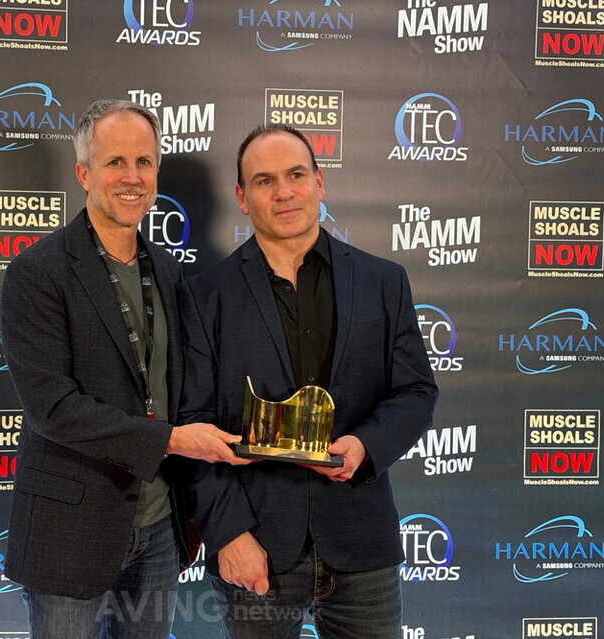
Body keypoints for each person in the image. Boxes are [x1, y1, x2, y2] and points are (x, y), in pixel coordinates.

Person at [0, 99, 250, 639]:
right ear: (84, 173)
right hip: (69, 529)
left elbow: (176, 390)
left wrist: (193, 505)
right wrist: (173, 440)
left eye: (144, 162)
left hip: (159, 529)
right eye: (115, 162)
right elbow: (52, 408)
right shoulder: (36, 273)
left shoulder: (169, 271)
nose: (132, 177)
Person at [177, 124, 438, 638]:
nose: (284, 191)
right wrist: (228, 534)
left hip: (362, 543)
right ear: (241, 197)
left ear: (319, 182)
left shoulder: (384, 281)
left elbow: (415, 393)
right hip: (255, 547)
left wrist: (365, 446)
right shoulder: (204, 297)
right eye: (264, 180)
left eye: (296, 175)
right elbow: (190, 424)